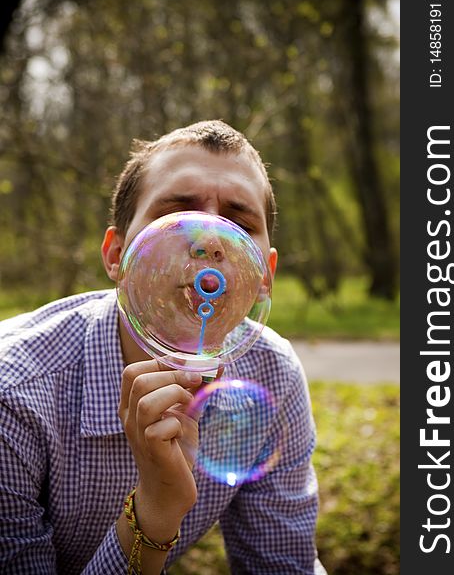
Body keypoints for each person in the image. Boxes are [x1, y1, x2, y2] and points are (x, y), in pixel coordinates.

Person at [0, 120, 325, 574]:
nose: (212, 240)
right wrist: (153, 511)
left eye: (239, 222)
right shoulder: (13, 392)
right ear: (116, 256)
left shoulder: (271, 374)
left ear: (265, 274)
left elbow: (281, 565)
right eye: (176, 213)